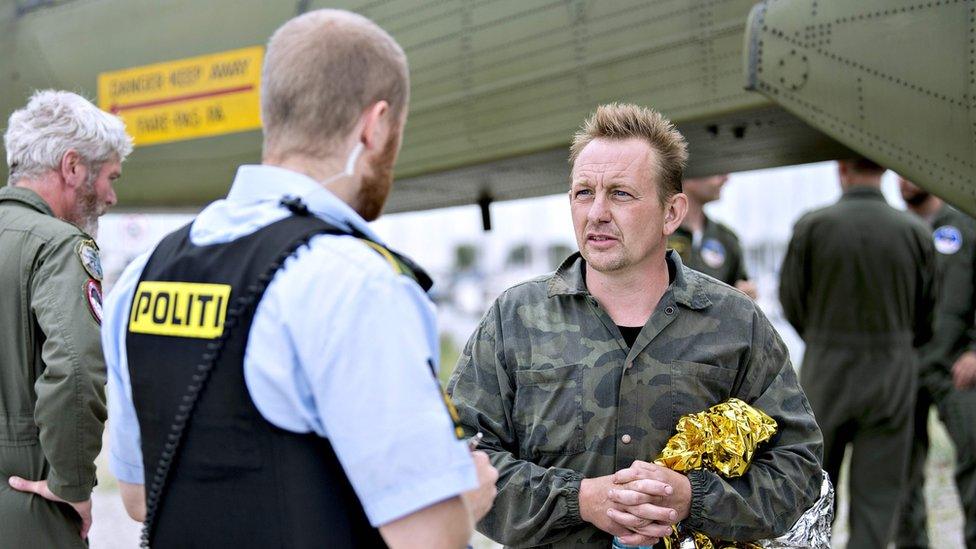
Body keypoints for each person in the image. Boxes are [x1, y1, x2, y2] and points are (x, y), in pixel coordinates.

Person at [100, 10, 496, 549]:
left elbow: (140, 497)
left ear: (273, 113)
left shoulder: (145, 271)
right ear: (375, 125)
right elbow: (427, 538)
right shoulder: (355, 282)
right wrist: (465, 500)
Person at [448, 103, 824, 549]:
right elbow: (459, 460)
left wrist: (692, 499)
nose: (597, 213)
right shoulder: (515, 320)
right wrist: (580, 500)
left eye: (621, 194)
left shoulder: (736, 323)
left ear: (672, 212)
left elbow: (798, 469)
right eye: (583, 192)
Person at [779, 159, 936, 549]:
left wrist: (820, 336)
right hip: (892, 374)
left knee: (812, 493)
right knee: (878, 500)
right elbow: (929, 313)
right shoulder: (914, 231)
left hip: (827, 369)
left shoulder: (813, 226)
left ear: (842, 170)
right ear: (883, 171)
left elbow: (791, 300)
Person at [0, 90, 132, 547]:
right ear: (73, 167)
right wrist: (71, 485)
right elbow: (76, 367)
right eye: (110, 177)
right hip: (28, 499)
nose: (112, 196)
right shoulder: (58, 245)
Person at [896, 177, 976, 549]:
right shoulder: (894, 232)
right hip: (903, 371)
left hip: (956, 368)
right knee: (902, 477)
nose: (904, 179)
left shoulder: (964, 228)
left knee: (973, 460)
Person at [668, 174, 757, 298]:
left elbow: (740, 286)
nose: (726, 178)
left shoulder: (727, 238)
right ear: (691, 173)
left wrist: (745, 293)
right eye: (717, 171)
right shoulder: (657, 234)